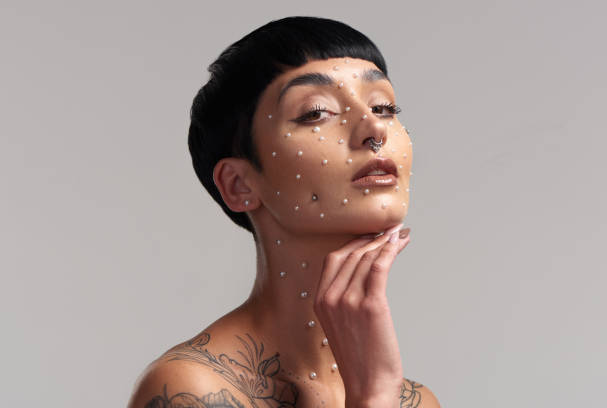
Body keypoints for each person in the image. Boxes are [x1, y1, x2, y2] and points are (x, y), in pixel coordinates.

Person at [128, 16, 441, 408]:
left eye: (384, 105)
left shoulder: (418, 401)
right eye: (315, 113)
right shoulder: (192, 390)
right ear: (239, 185)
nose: (373, 128)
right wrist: (373, 396)